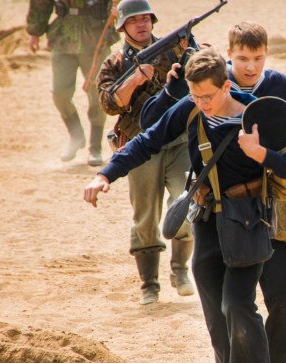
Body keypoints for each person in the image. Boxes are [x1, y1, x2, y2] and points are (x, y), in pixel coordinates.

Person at [84, 47, 286, 363]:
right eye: (195, 95)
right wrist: (105, 174)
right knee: (218, 327)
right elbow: (147, 140)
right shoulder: (190, 109)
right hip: (207, 222)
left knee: (238, 307)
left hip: (249, 224)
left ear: (226, 86)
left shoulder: (255, 114)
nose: (202, 103)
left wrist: (262, 154)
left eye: (208, 95)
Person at [140, 21, 286, 363]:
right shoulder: (208, 88)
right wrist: (174, 86)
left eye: (258, 58)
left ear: (266, 56)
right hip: (225, 216)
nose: (250, 66)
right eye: (242, 58)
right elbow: (154, 125)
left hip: (272, 211)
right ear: (229, 58)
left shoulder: (274, 85)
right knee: (232, 310)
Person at [95, 0, 195, 305]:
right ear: (122, 26)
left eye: (145, 19)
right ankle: (149, 284)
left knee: (186, 204)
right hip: (139, 146)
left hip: (178, 140)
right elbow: (109, 104)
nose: (141, 25)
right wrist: (135, 78)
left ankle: (180, 270)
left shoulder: (172, 49)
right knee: (146, 217)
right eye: (134, 20)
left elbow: (199, 70)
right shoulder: (114, 63)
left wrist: (193, 49)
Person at [26, 0, 119, 166]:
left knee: (98, 94)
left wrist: (117, 12)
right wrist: (35, 31)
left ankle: (95, 147)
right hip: (63, 37)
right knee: (60, 93)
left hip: (95, 36)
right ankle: (76, 135)